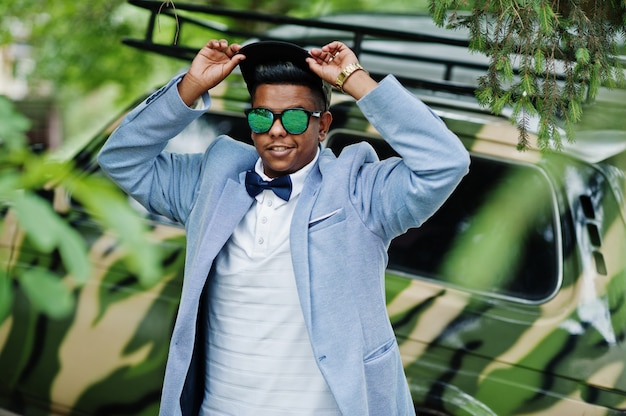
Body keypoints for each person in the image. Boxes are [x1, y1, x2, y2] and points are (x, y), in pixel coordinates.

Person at [98, 38, 470, 416]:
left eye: (293, 117)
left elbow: (444, 161)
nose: (276, 130)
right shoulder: (212, 181)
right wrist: (192, 85)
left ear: (323, 126)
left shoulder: (360, 192)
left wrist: (354, 79)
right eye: (262, 117)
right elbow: (122, 158)